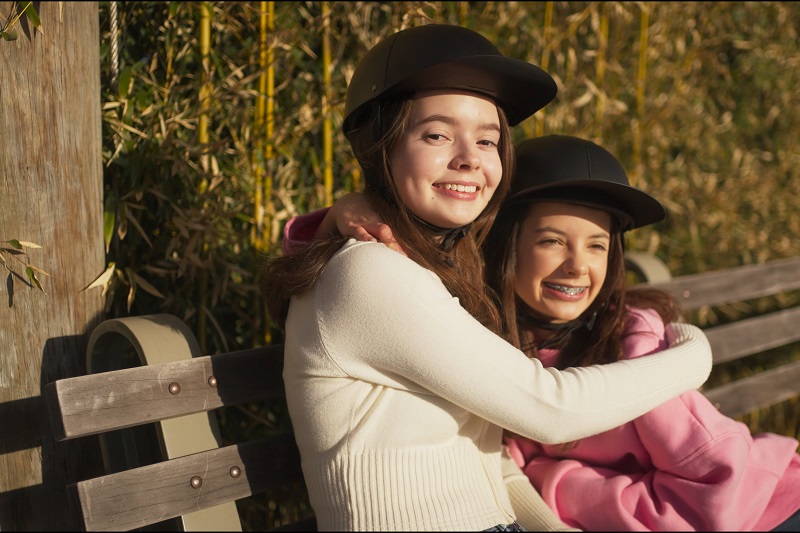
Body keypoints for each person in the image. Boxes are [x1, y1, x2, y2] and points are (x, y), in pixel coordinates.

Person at [262, 23, 713, 532]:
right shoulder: (370, 272)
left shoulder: (429, 265)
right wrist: (694, 353)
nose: (470, 159)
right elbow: (550, 408)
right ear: (380, 145)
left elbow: (484, 451)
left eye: (488, 139)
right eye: (436, 134)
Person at [483, 135, 800, 532]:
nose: (577, 266)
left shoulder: (639, 347)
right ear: (506, 245)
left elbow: (711, 495)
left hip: (765, 509)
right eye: (552, 241)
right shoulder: (492, 348)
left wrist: (559, 485)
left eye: (596, 246)